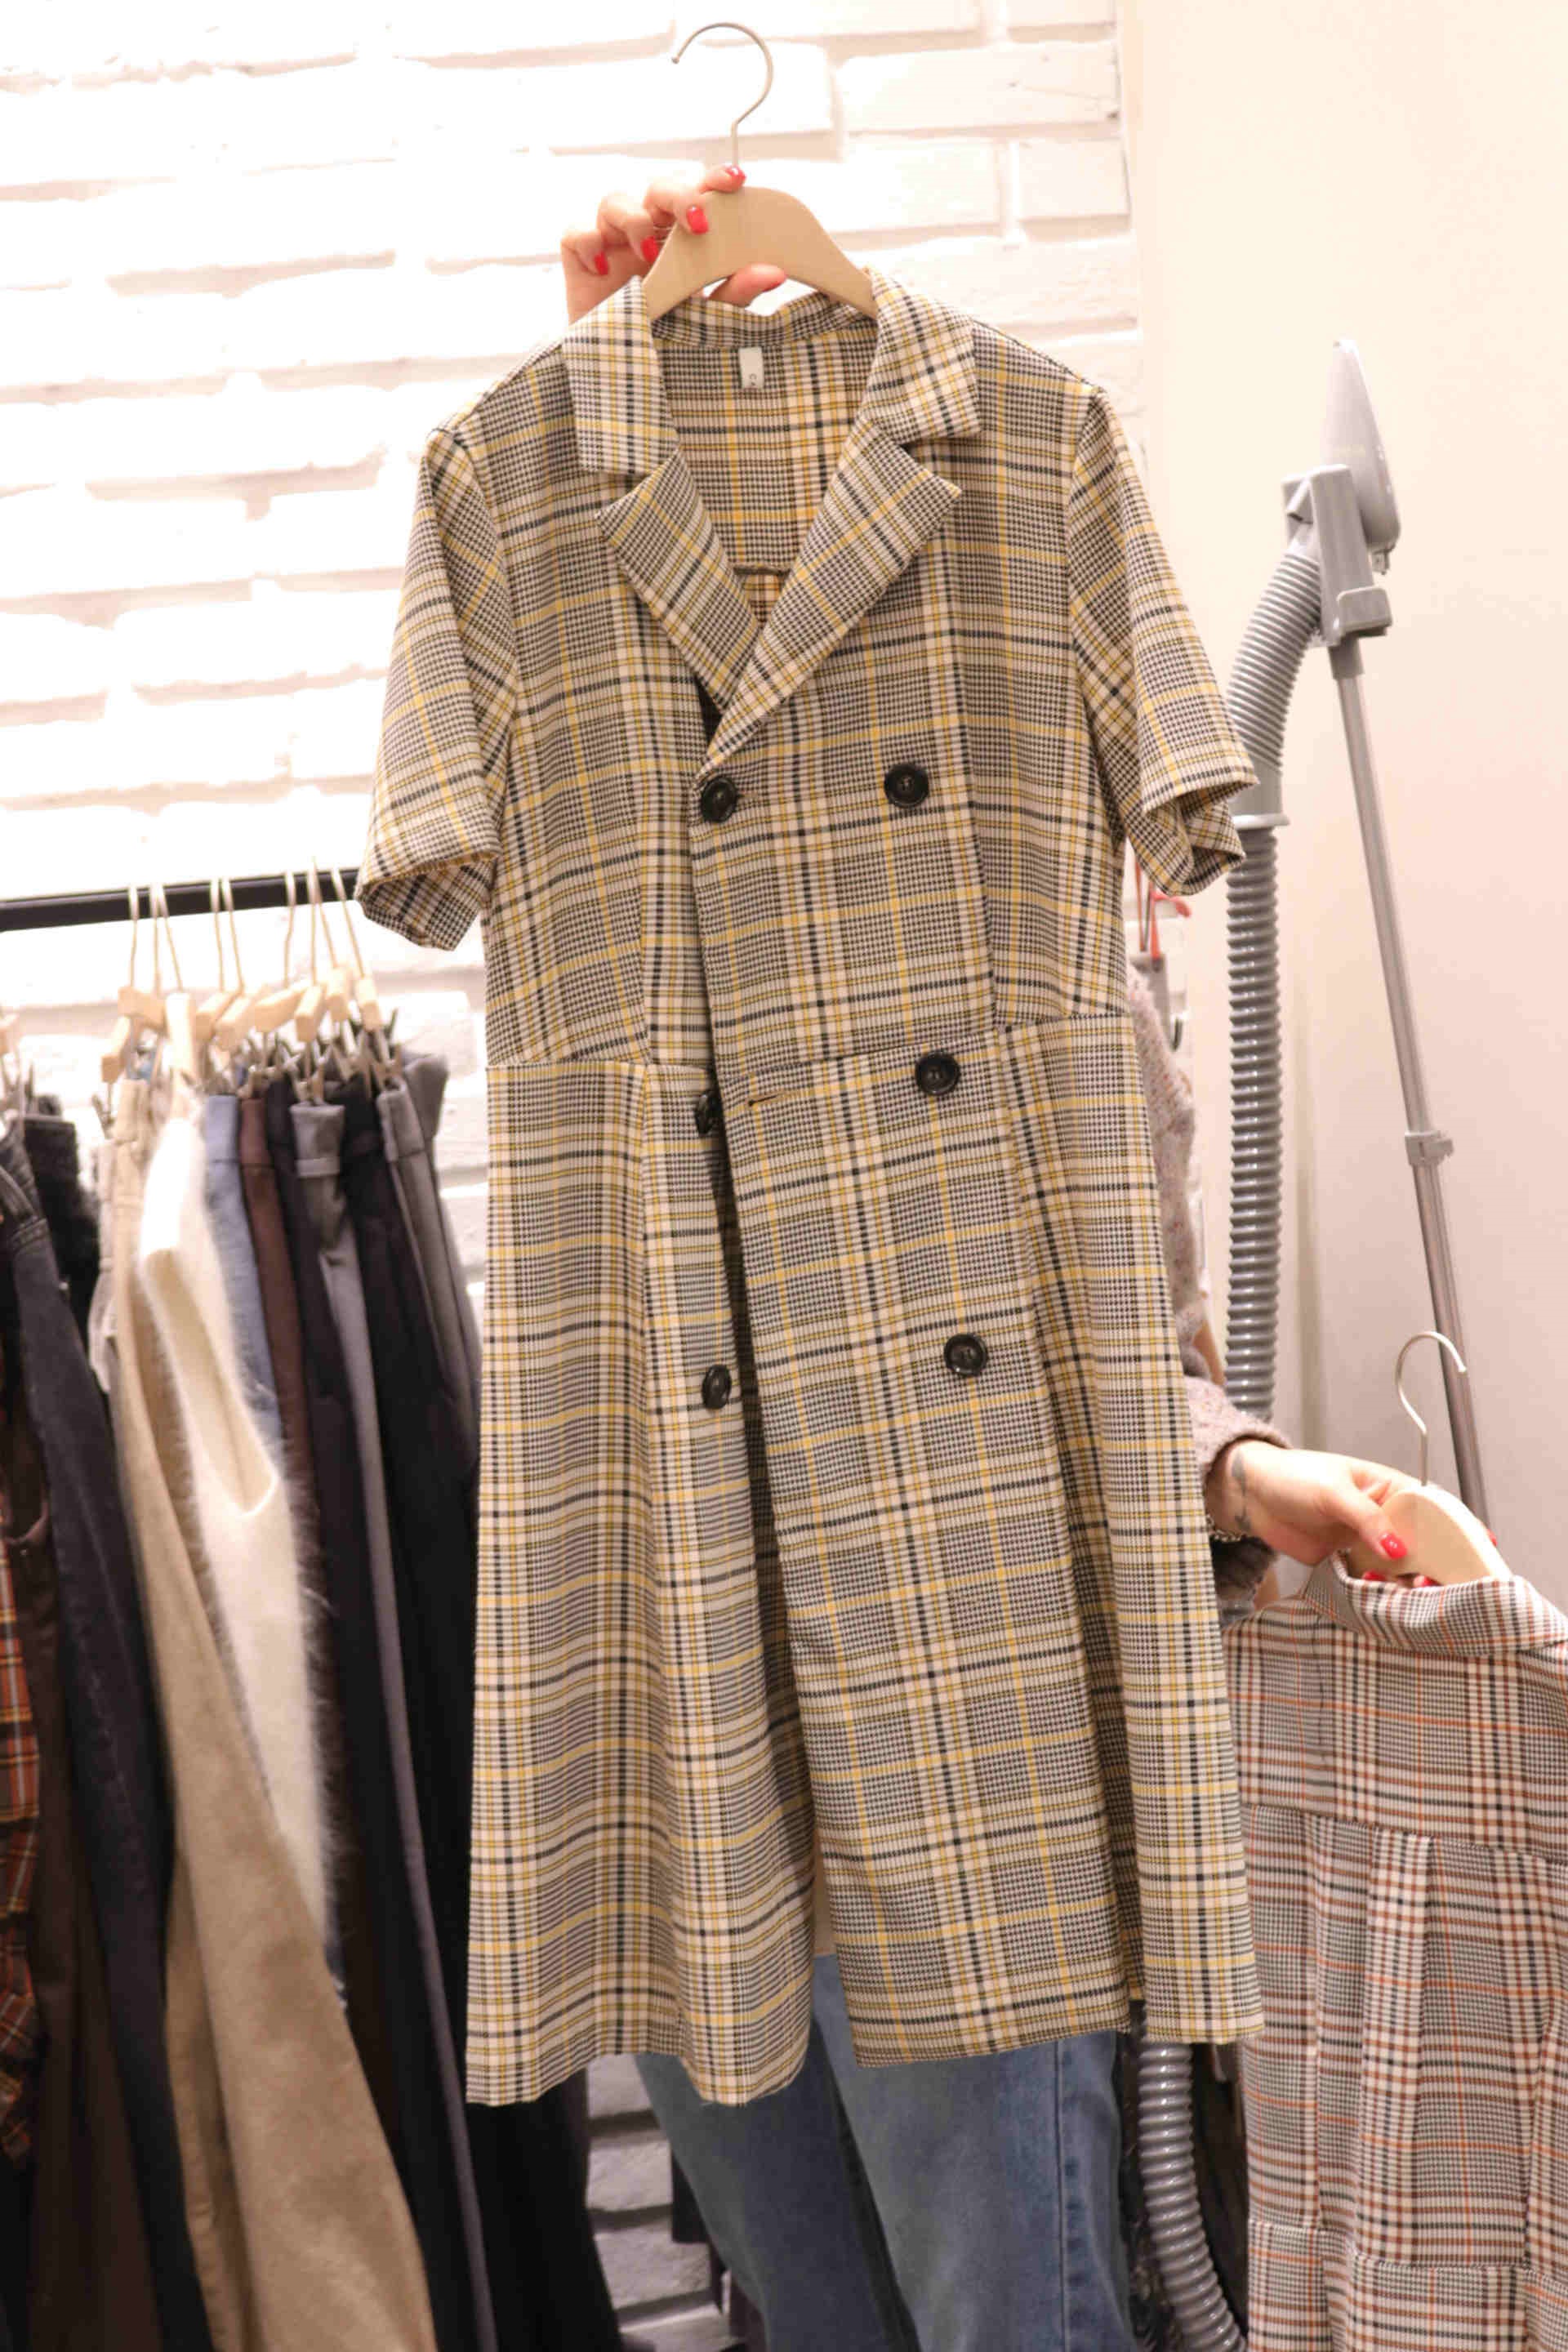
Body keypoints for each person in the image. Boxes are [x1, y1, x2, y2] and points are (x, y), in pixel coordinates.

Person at [560, 171, 1423, 2352]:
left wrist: (1236, 1474)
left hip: (964, 1720)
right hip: (685, 1721)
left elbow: (1115, 1316)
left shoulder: (1025, 818)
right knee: (810, 2307)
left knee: (1008, 2310)